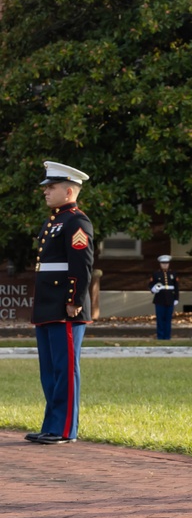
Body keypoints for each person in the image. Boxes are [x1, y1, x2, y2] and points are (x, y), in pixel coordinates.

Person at [26, 161, 94, 446]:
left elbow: (82, 265)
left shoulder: (77, 221)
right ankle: (51, 425)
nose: (46, 192)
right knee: (50, 369)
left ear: (68, 191)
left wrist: (74, 300)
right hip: (48, 305)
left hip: (66, 307)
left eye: (51, 187)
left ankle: (65, 429)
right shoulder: (53, 221)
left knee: (65, 369)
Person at [149, 254, 179, 340]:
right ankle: (160, 336)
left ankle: (167, 336)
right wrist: (153, 289)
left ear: (169, 264)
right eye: (163, 263)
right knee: (160, 319)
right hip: (159, 300)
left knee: (168, 319)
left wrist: (176, 298)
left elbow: (176, 287)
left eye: (166, 263)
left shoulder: (173, 274)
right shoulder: (156, 274)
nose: (165, 265)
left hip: (170, 299)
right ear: (160, 264)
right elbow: (150, 285)